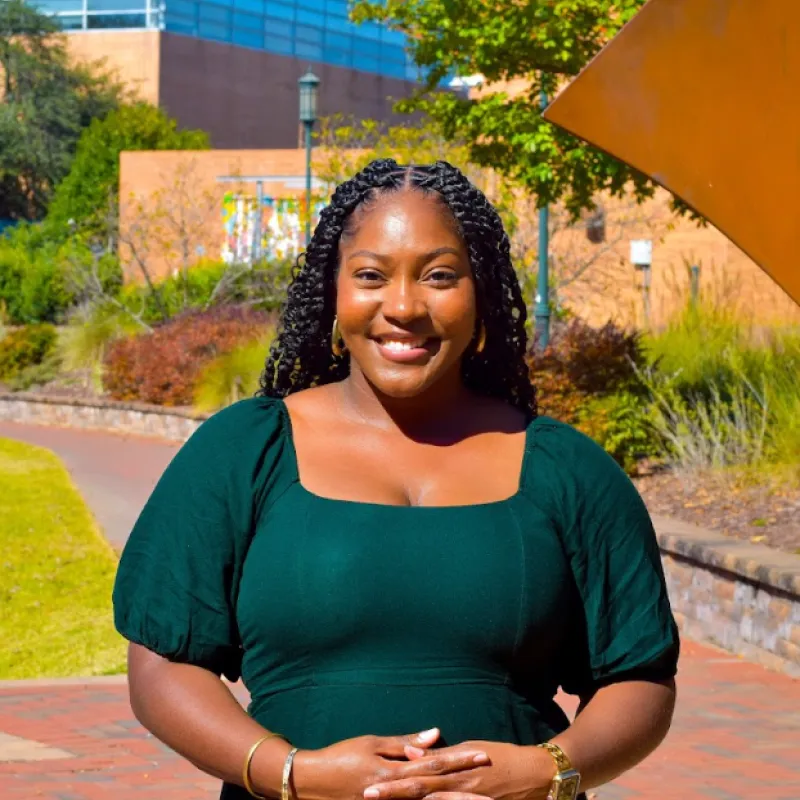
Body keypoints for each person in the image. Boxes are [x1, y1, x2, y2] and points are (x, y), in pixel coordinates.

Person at [113, 159, 679, 800]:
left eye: (440, 276)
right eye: (371, 276)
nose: (404, 306)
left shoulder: (566, 470)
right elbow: (162, 665)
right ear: (334, 291)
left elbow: (641, 679)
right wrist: (296, 774)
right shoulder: (245, 451)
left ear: (481, 292)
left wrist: (547, 771)